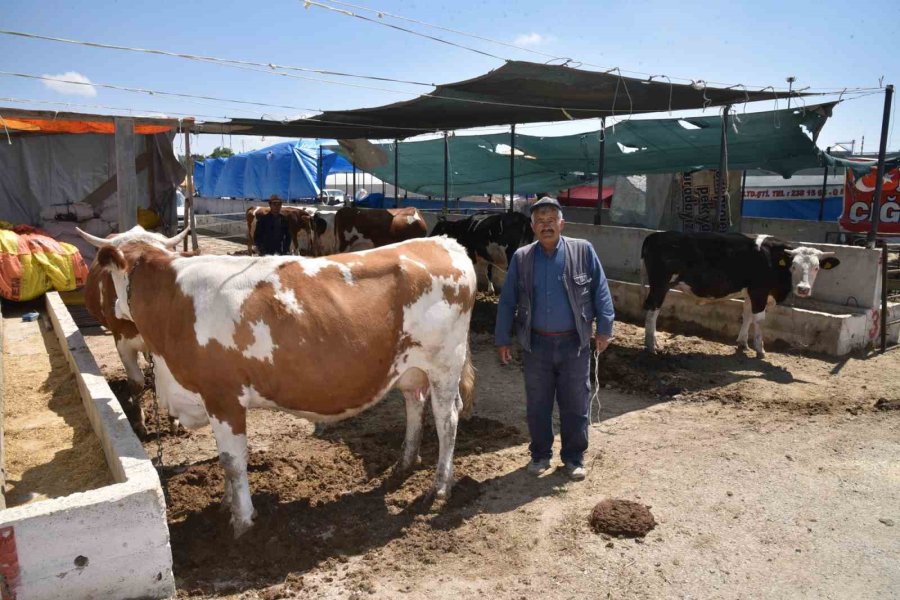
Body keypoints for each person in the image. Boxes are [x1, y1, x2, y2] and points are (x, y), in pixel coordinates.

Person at [495, 196, 615, 481]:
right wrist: (503, 338)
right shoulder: (522, 258)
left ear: (562, 224)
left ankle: (573, 458)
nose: (546, 226)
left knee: (575, 403)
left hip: (575, 343)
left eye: (551, 221)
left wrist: (605, 328)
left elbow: (601, 290)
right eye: (540, 222)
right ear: (533, 226)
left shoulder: (583, 251)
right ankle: (540, 455)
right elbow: (507, 300)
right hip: (536, 345)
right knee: (538, 404)